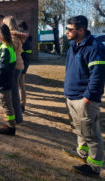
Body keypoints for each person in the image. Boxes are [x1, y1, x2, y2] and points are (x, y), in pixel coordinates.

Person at [64, 15, 105, 177]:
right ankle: (83, 155)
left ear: (81, 30)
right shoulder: (73, 45)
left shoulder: (94, 47)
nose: (66, 32)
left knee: (91, 133)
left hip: (84, 99)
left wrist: (88, 97)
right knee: (79, 129)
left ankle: (94, 167)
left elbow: (98, 76)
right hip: (71, 96)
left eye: (70, 29)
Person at [3, 16, 28, 124]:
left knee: (13, 94)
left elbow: (10, 54)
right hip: (18, 66)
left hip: (14, 67)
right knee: (14, 93)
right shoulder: (16, 35)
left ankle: (17, 118)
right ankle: (16, 116)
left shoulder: (12, 38)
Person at [18, 21, 32, 112]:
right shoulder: (26, 37)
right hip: (24, 63)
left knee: (21, 84)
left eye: (18, 28)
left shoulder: (24, 38)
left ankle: (22, 104)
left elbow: (21, 51)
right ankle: (22, 104)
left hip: (22, 64)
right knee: (20, 84)